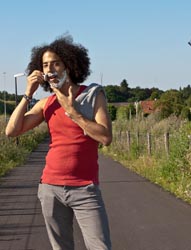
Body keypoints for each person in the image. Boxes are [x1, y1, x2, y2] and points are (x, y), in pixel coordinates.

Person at [5, 35, 112, 250]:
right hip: (50, 188)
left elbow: (105, 137)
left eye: (55, 63)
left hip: (85, 190)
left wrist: (74, 113)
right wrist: (28, 93)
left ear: (69, 65)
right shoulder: (47, 103)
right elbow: (12, 131)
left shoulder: (92, 95)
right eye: (45, 65)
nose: (50, 69)